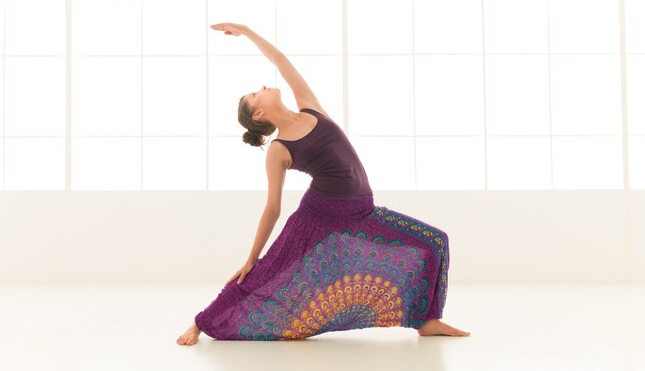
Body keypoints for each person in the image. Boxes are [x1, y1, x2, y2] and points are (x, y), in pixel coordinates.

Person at [176, 22, 470, 345]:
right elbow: (272, 208)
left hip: (363, 211)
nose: (262, 85)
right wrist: (250, 258)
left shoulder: (309, 105)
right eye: (254, 93)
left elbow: (280, 60)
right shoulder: (278, 150)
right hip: (317, 218)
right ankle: (201, 323)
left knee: (435, 242)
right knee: (262, 273)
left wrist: (245, 32)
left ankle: (428, 320)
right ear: (258, 113)